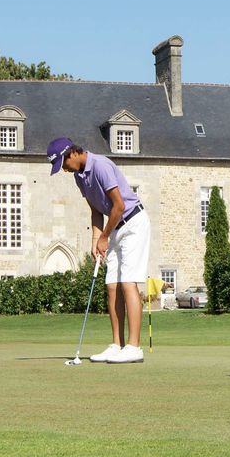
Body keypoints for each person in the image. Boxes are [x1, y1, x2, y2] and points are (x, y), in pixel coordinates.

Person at [48, 136, 151, 363]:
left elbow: (119, 205)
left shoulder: (101, 166)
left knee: (128, 282)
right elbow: (96, 210)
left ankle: (135, 347)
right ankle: (117, 344)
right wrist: (95, 240)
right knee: (111, 285)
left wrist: (104, 237)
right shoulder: (79, 176)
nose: (64, 169)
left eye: (63, 164)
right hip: (114, 228)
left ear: (72, 153)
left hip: (133, 223)